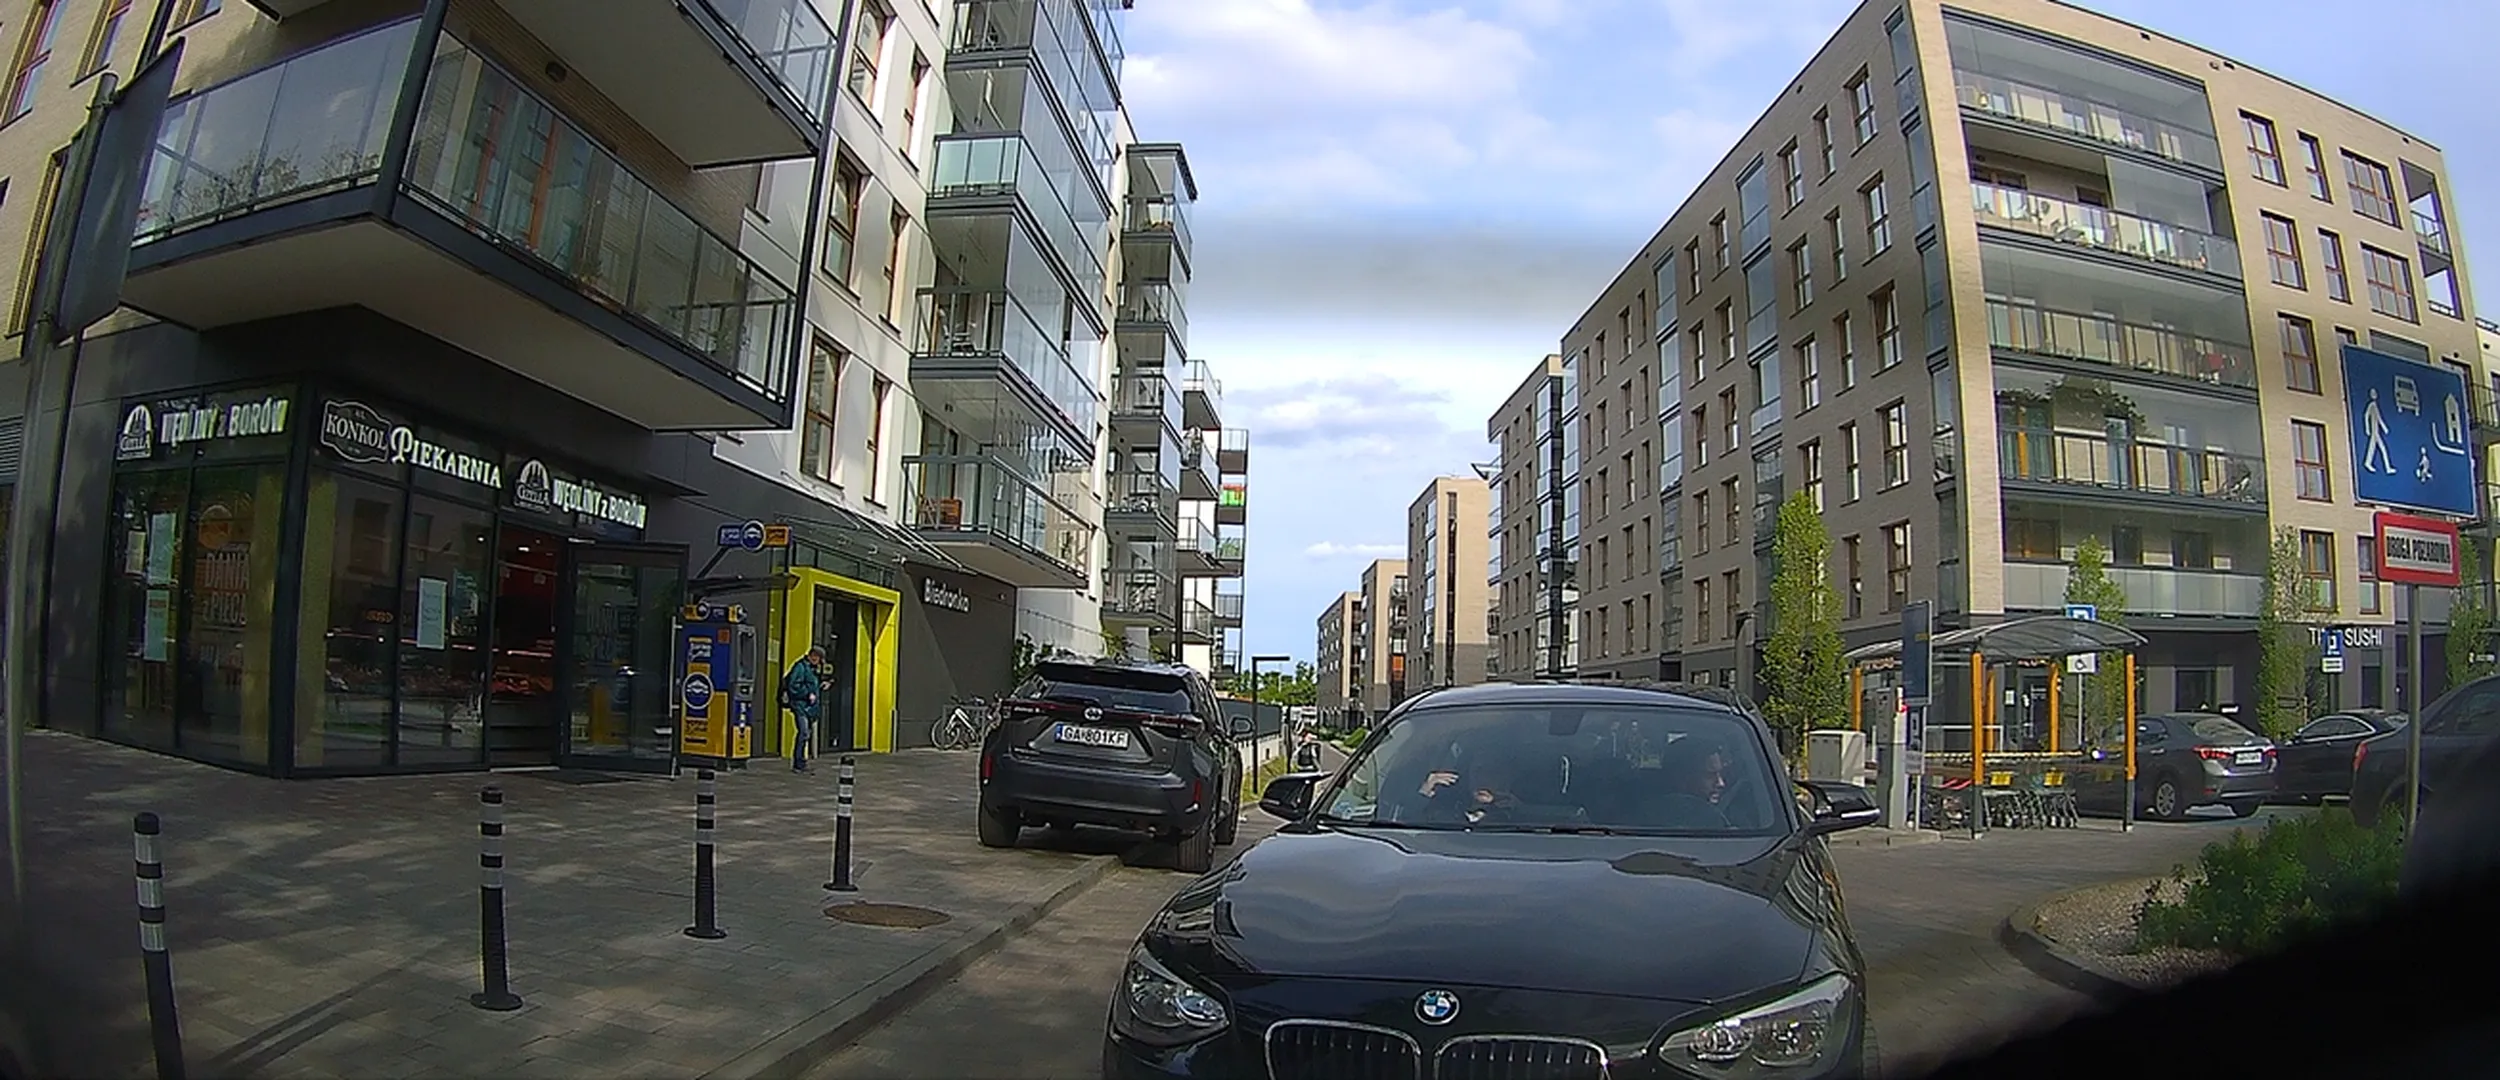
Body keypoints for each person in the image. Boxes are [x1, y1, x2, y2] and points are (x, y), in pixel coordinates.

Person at [783, 646, 825, 774]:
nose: (819, 662)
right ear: (813, 656)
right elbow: (793, 685)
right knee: (804, 732)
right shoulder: (801, 667)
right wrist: (807, 694)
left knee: (805, 734)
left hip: (808, 707)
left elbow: (811, 685)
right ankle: (798, 763)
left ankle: (801, 762)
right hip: (800, 705)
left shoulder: (811, 669)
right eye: (818, 659)